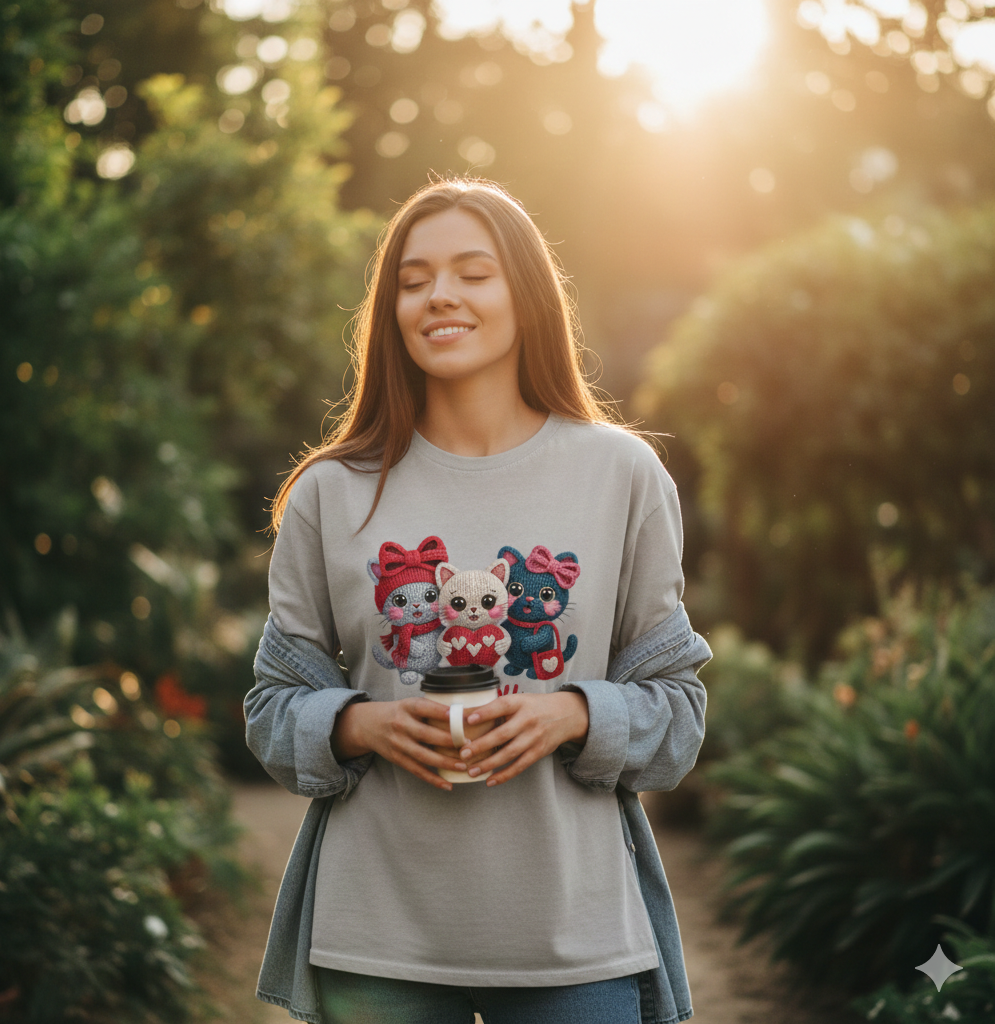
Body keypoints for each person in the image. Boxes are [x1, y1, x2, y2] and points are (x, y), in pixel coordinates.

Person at [244, 177, 711, 1024]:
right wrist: (361, 725)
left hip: (576, 943)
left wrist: (571, 715)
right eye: (413, 280)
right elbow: (273, 708)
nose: (439, 296)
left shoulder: (623, 476)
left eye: (472, 272)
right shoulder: (329, 493)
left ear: (526, 296)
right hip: (374, 941)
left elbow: (677, 715)